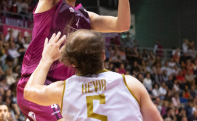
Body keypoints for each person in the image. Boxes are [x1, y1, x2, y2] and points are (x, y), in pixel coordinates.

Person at [24, 31, 162, 121]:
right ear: (103, 55)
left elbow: (29, 92)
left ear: (72, 62)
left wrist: (46, 59)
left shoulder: (64, 89)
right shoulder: (131, 84)